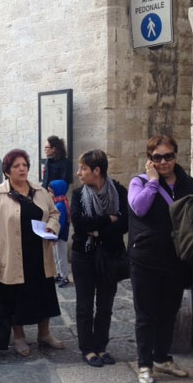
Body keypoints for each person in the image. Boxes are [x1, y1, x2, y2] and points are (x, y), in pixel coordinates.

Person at [128, 135, 193, 383]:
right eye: (157, 157)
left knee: (169, 311)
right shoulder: (139, 182)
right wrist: (153, 182)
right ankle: (145, 364)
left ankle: (162, 358)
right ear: (150, 159)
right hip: (146, 259)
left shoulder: (187, 183)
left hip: (176, 258)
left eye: (168, 156)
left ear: (175, 156)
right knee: (146, 314)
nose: (164, 161)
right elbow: (139, 208)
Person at [0, 149, 63, 356]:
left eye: (24, 165)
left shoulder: (40, 191)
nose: (22, 169)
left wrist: (52, 227)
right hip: (12, 256)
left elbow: (54, 213)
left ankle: (45, 333)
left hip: (39, 253)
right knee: (16, 298)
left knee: (44, 295)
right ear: (7, 171)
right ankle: (19, 337)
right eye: (16, 166)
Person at [71, 150, 128, 367]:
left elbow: (125, 224)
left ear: (97, 171)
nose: (79, 173)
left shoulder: (119, 192)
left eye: (83, 169)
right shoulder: (78, 195)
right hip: (83, 255)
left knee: (105, 305)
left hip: (110, 255)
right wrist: (108, 219)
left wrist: (96, 229)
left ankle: (101, 346)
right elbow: (79, 224)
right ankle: (87, 349)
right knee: (85, 306)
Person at [49, 180, 71, 288]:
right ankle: (59, 273)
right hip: (58, 235)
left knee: (61, 256)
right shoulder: (58, 202)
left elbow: (60, 223)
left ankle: (64, 276)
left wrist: (56, 236)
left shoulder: (60, 205)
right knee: (57, 255)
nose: (49, 194)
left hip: (61, 235)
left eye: (50, 191)